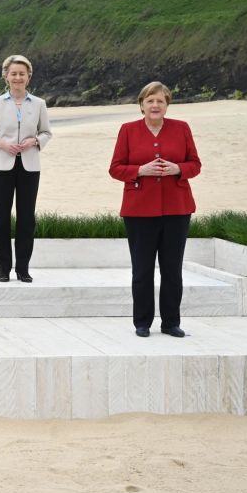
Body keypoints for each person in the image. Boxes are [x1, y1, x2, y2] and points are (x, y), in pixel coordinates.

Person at [108, 81, 201, 338]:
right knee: (142, 270)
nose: (155, 105)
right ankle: (142, 323)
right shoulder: (128, 130)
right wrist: (140, 170)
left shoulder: (182, 129)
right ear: (141, 105)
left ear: (167, 104)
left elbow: (195, 164)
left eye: (160, 101)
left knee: (172, 269)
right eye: (150, 101)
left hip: (177, 209)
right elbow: (115, 168)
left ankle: (171, 323)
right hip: (138, 211)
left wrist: (178, 169)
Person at [0, 54, 52, 283]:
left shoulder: (39, 104)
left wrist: (34, 142)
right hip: (1, 166)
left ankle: (22, 268)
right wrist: (2, 144)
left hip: (30, 166)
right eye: (13, 73)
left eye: (22, 73)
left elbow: (46, 132)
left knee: (26, 219)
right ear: (6, 76)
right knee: (2, 218)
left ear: (28, 77)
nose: (17, 77)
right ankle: (4, 269)